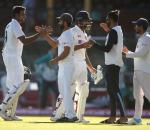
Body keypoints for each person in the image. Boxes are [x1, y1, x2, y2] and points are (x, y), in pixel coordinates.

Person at [50, 11, 96, 123]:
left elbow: (84, 52)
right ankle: (58, 113)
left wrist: (90, 67)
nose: (88, 22)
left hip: (82, 64)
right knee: (68, 89)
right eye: (86, 20)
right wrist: (83, 45)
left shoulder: (84, 34)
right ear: (79, 21)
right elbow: (70, 48)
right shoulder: (72, 31)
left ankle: (80, 117)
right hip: (72, 63)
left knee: (83, 90)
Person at [0, 5, 43, 121]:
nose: (25, 16)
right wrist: (40, 34)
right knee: (19, 85)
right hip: (12, 57)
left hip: (11, 56)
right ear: (16, 15)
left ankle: (11, 113)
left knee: (13, 87)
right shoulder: (14, 24)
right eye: (22, 14)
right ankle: (2, 108)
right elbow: (24, 40)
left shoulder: (12, 24)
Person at [36, 13, 79, 122]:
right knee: (63, 91)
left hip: (67, 66)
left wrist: (55, 60)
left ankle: (71, 115)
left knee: (66, 91)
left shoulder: (68, 34)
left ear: (64, 22)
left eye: (60, 21)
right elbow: (55, 44)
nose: (59, 22)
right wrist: (45, 35)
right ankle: (65, 114)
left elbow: (66, 51)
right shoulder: (65, 33)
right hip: (64, 66)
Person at [96, 10, 128, 124]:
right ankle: (112, 117)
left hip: (113, 64)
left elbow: (107, 48)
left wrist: (93, 43)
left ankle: (123, 117)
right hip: (112, 63)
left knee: (115, 90)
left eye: (107, 19)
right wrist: (107, 30)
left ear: (111, 19)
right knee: (111, 91)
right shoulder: (116, 30)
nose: (106, 21)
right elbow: (113, 40)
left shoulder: (114, 31)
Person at [123, 18, 150, 125]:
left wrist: (127, 53)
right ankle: (137, 118)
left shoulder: (147, 38)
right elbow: (138, 54)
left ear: (142, 27)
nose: (135, 27)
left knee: (148, 94)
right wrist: (127, 52)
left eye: (137, 25)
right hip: (138, 71)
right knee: (137, 95)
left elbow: (141, 54)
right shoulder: (141, 38)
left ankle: (137, 118)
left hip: (144, 71)